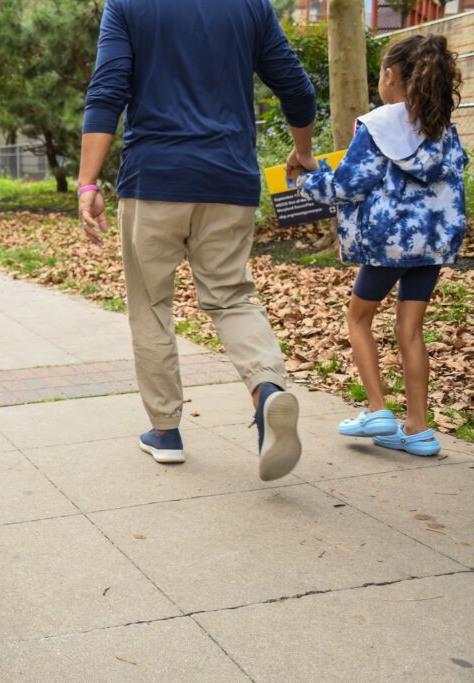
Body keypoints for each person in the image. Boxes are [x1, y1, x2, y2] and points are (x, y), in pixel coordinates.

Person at [78, 0, 317, 480]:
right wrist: (304, 152)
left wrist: (88, 182)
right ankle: (267, 391)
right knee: (231, 297)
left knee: (150, 303)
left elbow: (107, 92)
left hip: (154, 178)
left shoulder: (126, 5)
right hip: (229, 178)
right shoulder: (251, 5)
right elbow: (295, 85)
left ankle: (165, 431)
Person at [294, 35, 467, 457]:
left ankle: (376, 410)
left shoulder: (378, 124)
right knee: (410, 330)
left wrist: (300, 180)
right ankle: (419, 429)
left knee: (359, 318)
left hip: (389, 245)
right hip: (433, 245)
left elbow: (347, 185)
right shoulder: (443, 127)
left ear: (390, 75)